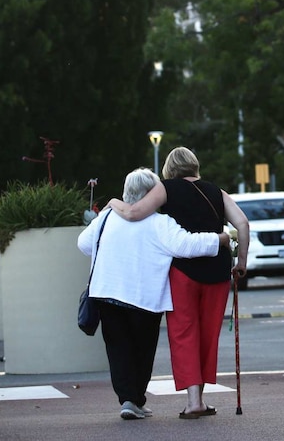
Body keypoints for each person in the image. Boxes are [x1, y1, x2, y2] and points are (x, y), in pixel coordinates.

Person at [78, 167, 233, 421]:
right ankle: (136, 398)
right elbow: (186, 246)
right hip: (144, 298)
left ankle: (128, 399)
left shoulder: (106, 218)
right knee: (142, 349)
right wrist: (221, 239)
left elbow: (83, 244)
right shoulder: (159, 223)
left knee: (118, 349)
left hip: (106, 293)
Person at [108, 146, 250, 419]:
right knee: (208, 335)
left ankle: (193, 401)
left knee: (184, 333)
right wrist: (241, 262)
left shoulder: (166, 188)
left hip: (182, 272)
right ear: (195, 165)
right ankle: (202, 399)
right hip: (218, 271)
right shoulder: (216, 191)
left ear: (170, 169)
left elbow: (135, 212)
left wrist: (114, 203)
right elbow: (242, 223)